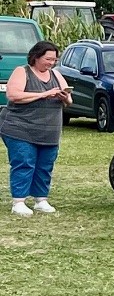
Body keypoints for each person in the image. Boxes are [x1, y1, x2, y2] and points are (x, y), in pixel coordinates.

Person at [2, 40, 69, 216]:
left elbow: (69, 99)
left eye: (54, 60)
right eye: (48, 59)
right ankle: (19, 202)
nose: (51, 63)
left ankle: (41, 200)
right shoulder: (22, 71)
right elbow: (13, 95)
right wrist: (44, 94)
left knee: (45, 165)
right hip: (20, 128)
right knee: (24, 162)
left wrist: (65, 97)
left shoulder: (56, 75)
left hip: (49, 131)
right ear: (36, 57)